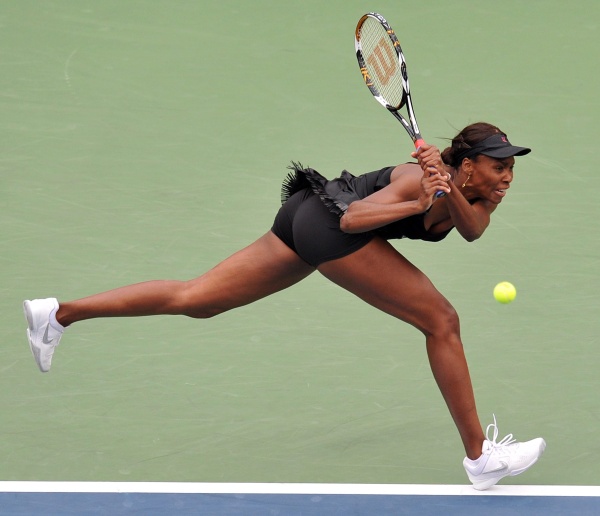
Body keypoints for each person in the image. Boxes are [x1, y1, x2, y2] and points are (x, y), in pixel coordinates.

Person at [23, 121, 545, 490]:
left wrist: (444, 192)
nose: (507, 177)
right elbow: (352, 219)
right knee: (441, 320)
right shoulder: (415, 180)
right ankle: (480, 457)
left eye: (511, 169)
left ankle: (59, 314)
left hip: (304, 215)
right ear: (468, 165)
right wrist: (418, 199)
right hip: (329, 223)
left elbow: (471, 231)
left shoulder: (475, 200)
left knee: (197, 299)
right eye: (498, 167)